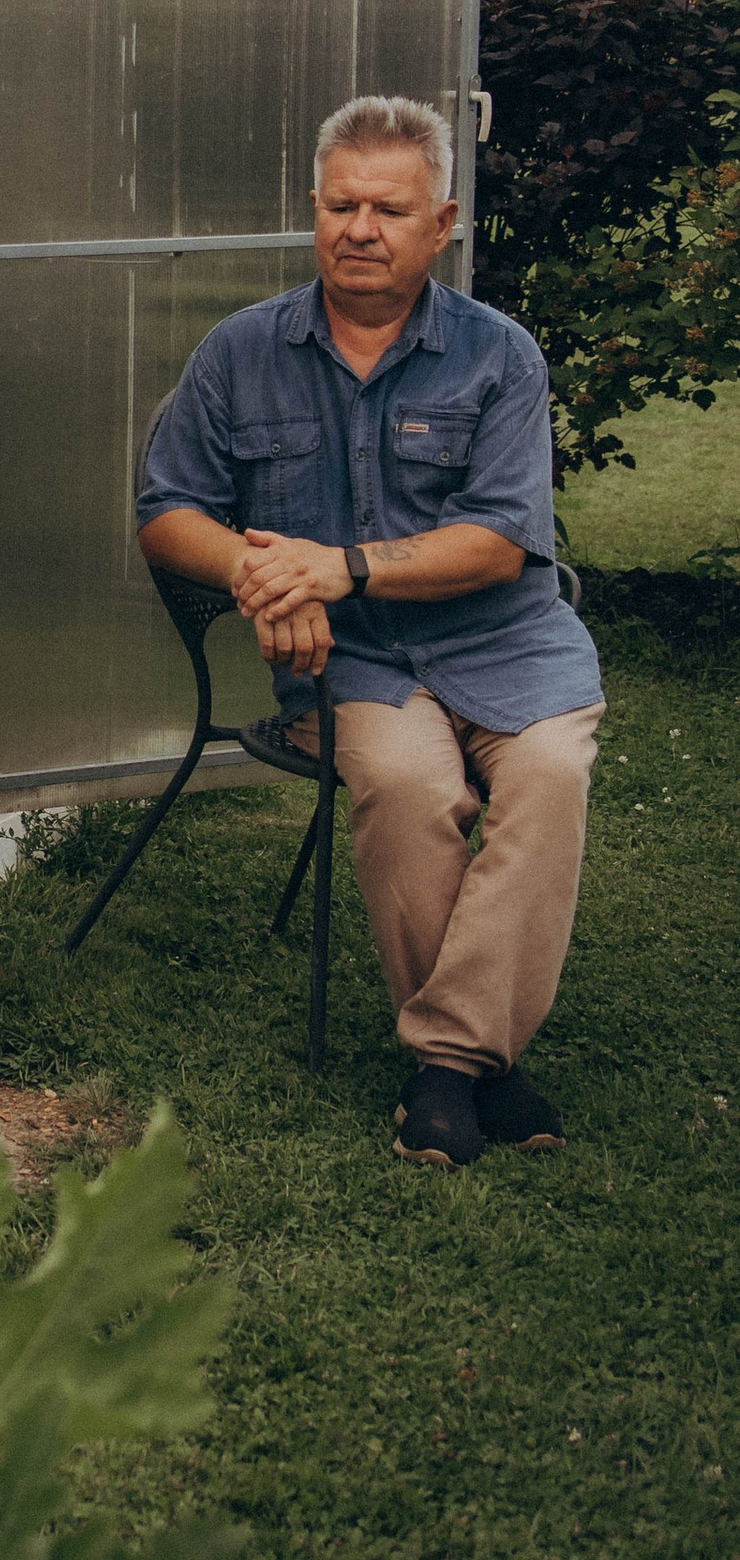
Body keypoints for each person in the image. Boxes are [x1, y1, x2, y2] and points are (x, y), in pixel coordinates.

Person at [135, 94, 604, 1173]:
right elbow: (167, 513)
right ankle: (487, 1063)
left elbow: (496, 543)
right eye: (340, 205)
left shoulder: (500, 358)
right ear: (313, 212)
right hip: (347, 661)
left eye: (387, 210)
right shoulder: (238, 353)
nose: (360, 228)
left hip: (505, 641)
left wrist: (333, 567)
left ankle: (448, 1065)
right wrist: (265, 575)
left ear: (438, 225)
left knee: (546, 778)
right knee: (402, 786)